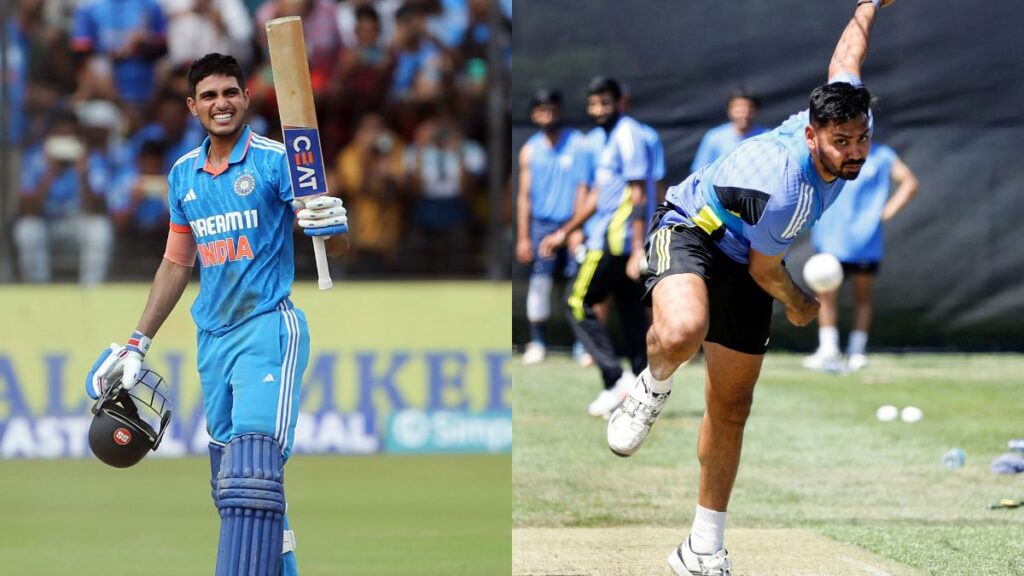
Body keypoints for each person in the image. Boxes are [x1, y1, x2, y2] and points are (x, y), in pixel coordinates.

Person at [604, 3, 892, 574]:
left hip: (752, 254)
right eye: (842, 142)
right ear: (811, 135)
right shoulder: (787, 184)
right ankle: (651, 386)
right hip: (692, 229)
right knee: (684, 331)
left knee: (731, 405)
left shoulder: (846, 108)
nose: (855, 151)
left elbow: (846, 56)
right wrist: (801, 304)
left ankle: (702, 547)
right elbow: (767, 272)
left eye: (861, 138)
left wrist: (867, 5)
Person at [83, 53, 349, 576]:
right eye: (208, 96)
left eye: (230, 93)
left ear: (247, 98)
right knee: (232, 486)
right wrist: (138, 341)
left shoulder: (276, 161)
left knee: (254, 471)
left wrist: (332, 227)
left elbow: (330, 244)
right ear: (192, 106)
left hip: (268, 326)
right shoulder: (185, 175)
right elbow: (176, 264)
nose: (220, 103)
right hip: (213, 337)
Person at [539, 76, 649, 417]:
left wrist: (636, 248)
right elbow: (600, 194)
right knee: (631, 313)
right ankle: (640, 386)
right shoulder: (605, 138)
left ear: (621, 102)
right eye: (593, 104)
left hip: (615, 242)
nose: (598, 110)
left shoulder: (628, 133)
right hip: (609, 239)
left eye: (605, 103)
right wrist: (566, 230)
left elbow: (639, 194)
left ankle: (614, 380)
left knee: (575, 301)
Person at [803, 141, 918, 372]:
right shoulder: (831, 151)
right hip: (831, 237)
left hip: (866, 241)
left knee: (863, 296)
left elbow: (910, 182)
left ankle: (857, 352)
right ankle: (829, 351)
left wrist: (886, 212)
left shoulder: (883, 156)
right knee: (825, 294)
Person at [515, 88, 589, 365]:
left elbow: (586, 187)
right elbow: (524, 197)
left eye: (552, 110)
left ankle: (582, 344)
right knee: (540, 283)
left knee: (577, 285)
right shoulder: (530, 150)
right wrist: (523, 236)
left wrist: (575, 228)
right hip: (541, 227)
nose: (547, 116)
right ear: (535, 115)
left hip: (573, 225)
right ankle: (538, 342)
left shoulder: (579, 144)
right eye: (542, 110)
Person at [689, 88, 767, 173]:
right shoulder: (714, 137)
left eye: (749, 108)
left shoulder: (767, 137)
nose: (744, 113)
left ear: (756, 111)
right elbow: (699, 171)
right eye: (738, 108)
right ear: (729, 111)